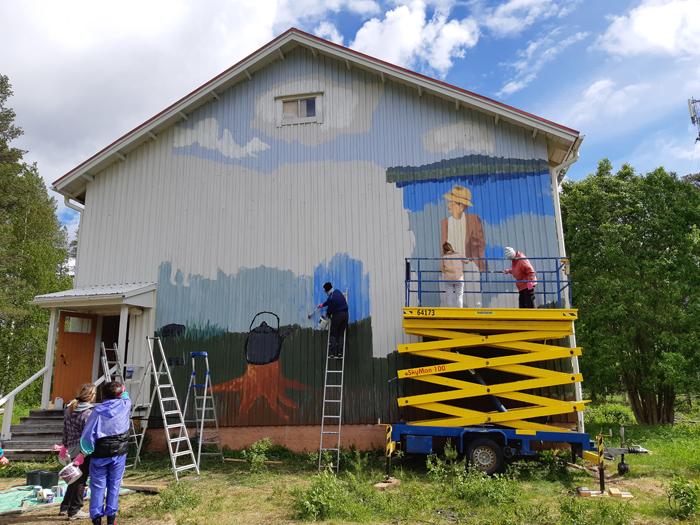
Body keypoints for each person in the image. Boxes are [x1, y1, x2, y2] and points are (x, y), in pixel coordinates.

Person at [74, 381, 131, 525]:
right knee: (114, 485)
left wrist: (83, 453)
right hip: (119, 453)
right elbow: (125, 394)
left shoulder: (97, 412)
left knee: (98, 487)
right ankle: (111, 519)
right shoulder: (125, 405)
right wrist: (122, 388)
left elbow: (88, 435)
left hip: (100, 454)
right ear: (119, 394)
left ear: (103, 395)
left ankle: (97, 519)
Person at [440, 185, 486, 307]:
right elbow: (443, 244)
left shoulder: (474, 220)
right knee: (455, 293)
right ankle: (453, 312)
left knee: (473, 300)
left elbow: (480, 243)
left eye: (452, 202)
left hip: (470, 266)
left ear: (461, 206)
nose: (448, 205)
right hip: (453, 268)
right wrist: (442, 267)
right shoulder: (445, 222)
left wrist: (478, 264)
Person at [59, 383, 96, 520]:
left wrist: (64, 445)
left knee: (74, 478)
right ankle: (75, 510)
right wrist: (84, 453)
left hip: (72, 448)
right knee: (81, 479)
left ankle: (65, 506)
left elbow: (65, 429)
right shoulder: (89, 413)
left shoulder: (69, 409)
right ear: (91, 396)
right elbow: (89, 435)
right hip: (83, 449)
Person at [317, 282, 348, 358]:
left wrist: (325, 316)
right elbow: (329, 301)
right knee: (340, 333)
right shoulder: (337, 292)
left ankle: (332, 353)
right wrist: (322, 305)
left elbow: (329, 310)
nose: (325, 293)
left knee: (333, 334)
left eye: (325, 291)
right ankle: (340, 353)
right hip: (346, 315)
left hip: (338, 316)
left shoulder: (331, 298)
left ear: (327, 290)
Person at [440, 242, 464, 307]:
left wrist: (447, 271)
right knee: (459, 296)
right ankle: (460, 312)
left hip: (448, 278)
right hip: (459, 278)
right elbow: (466, 261)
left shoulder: (444, 257)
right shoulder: (458, 255)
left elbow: (442, 269)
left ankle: (450, 312)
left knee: (449, 296)